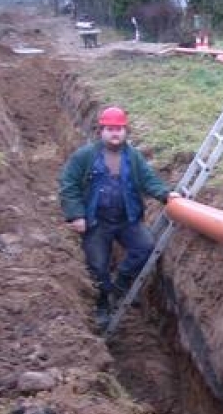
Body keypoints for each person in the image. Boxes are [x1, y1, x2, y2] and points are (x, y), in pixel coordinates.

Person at [59, 106, 178, 329]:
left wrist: (165, 194)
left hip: (126, 219)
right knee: (97, 266)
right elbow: (69, 185)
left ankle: (120, 285)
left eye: (120, 129)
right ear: (101, 131)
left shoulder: (133, 157)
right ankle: (102, 305)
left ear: (125, 131)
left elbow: (148, 179)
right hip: (96, 221)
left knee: (145, 246)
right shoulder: (85, 156)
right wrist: (76, 215)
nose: (116, 133)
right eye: (111, 129)